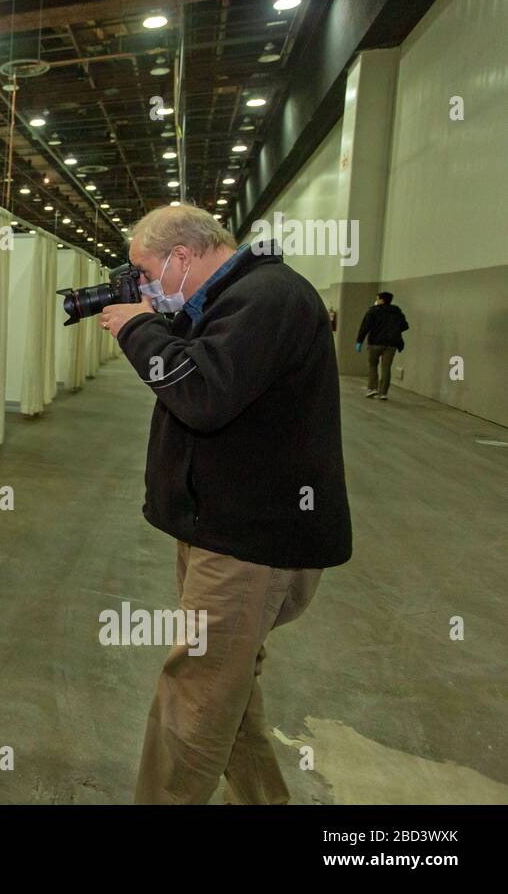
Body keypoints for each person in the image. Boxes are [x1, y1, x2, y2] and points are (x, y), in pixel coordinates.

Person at [99, 204, 352, 804]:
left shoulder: (269, 298)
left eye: (147, 270)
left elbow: (203, 393)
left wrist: (138, 327)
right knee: (227, 691)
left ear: (182, 257)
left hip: (249, 542)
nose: (144, 286)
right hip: (223, 531)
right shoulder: (226, 301)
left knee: (197, 695)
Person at [355, 292, 409, 400]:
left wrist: (359, 341)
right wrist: (393, 330)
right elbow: (405, 326)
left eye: (377, 299)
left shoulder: (373, 311)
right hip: (391, 344)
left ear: (381, 300)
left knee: (373, 365)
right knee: (386, 367)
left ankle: (372, 388)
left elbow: (365, 327)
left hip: (375, 343)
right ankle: (383, 393)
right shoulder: (396, 312)